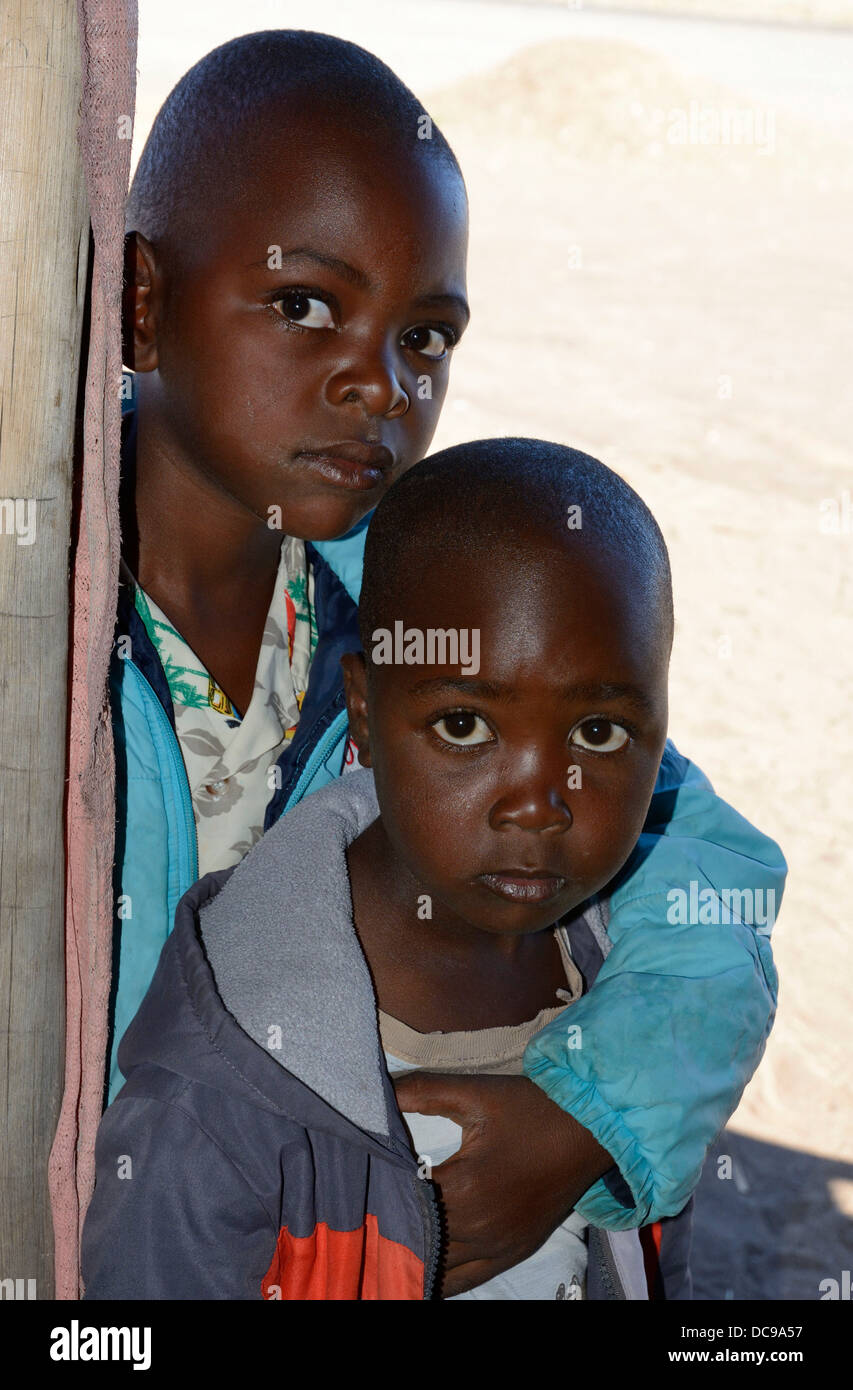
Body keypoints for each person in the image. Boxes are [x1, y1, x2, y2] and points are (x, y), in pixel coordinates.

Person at [110, 29, 785, 1295]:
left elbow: (714, 885)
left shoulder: (418, 615)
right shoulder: (43, 631)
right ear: (147, 302)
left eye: (425, 337)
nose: (378, 384)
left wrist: (588, 1118)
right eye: (306, 305)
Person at [83, 440, 772, 1299]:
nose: (537, 805)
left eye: (597, 735)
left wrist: (595, 1127)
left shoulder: (623, 957)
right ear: (364, 716)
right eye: (462, 728)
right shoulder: (223, 1097)